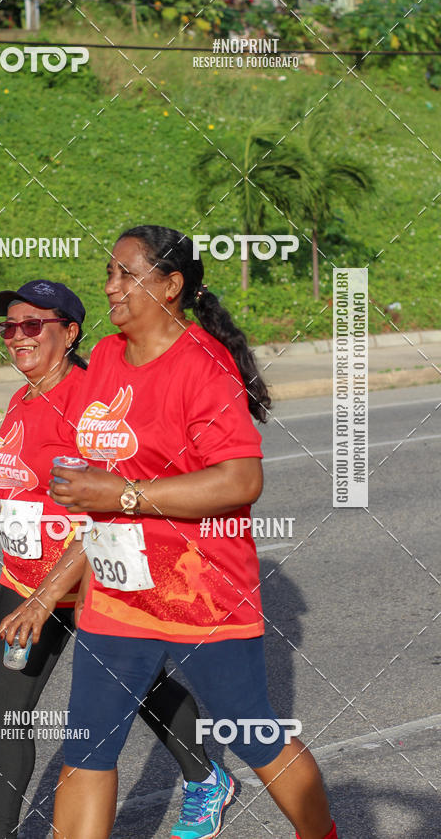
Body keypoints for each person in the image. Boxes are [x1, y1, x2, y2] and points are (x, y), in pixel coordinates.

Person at [48, 226, 338, 839]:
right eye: (109, 273)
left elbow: (240, 479)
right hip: (117, 593)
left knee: (253, 733)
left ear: (172, 286)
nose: (110, 288)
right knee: (86, 750)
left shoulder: (204, 364)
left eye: (127, 274)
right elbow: (101, 479)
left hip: (200, 591)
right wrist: (52, 584)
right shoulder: (103, 357)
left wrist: (122, 494)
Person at [0, 278, 224, 839]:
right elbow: (29, 488)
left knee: (140, 689)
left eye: (32, 326)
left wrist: (46, 598)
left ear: (69, 332)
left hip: (97, 576)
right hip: (23, 577)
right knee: (4, 708)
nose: (16, 337)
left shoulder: (90, 400)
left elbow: (106, 505)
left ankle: (205, 777)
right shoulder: (23, 396)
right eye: (9, 327)